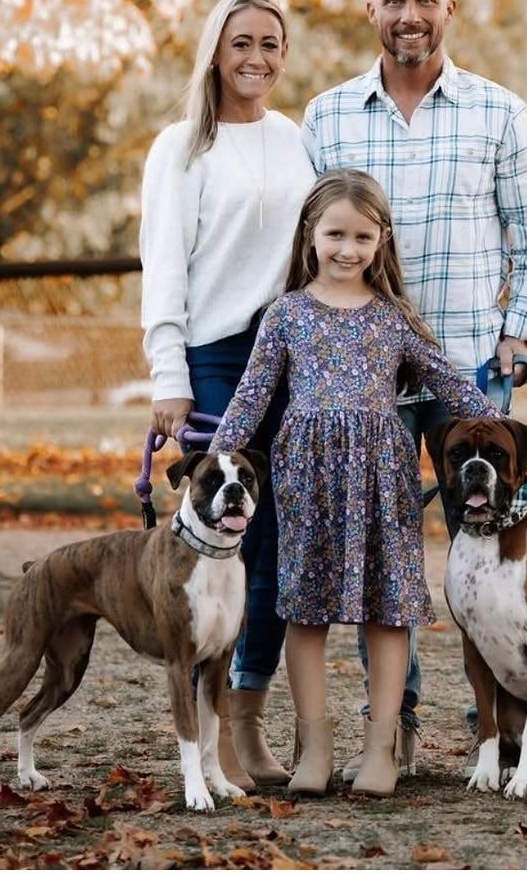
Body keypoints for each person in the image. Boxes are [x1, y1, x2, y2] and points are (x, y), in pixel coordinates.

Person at [301, 0, 527, 777]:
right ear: (370, 12)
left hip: (469, 376)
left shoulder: (500, 112)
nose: (409, 14)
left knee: (487, 547)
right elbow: (305, 244)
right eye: (394, 0)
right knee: (381, 550)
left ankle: (505, 725)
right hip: (363, 375)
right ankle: (396, 728)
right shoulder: (328, 115)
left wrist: (517, 332)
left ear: (449, 11)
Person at [208, 169, 505, 798]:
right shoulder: (284, 315)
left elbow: (449, 383)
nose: (348, 249)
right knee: (303, 609)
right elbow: (253, 396)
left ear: (382, 241)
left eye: (363, 237)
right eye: (335, 234)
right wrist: (215, 456)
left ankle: (381, 747)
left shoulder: (394, 318)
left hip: (381, 476)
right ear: (311, 235)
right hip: (305, 476)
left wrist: (501, 425)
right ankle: (314, 748)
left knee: (388, 610)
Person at [138, 0, 315, 792]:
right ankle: (201, 745)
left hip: (287, 351)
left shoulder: (295, 139)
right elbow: (164, 268)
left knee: (273, 545)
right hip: (211, 356)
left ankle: (245, 718)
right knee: (214, 538)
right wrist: (169, 375)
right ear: (215, 50)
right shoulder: (179, 148)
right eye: (242, 42)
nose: (257, 58)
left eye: (271, 44)